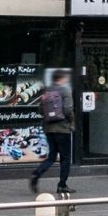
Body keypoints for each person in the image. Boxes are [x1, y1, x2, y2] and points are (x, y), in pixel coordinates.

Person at [28, 68, 76, 196]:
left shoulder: (47, 91)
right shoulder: (65, 90)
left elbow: (40, 110)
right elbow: (68, 109)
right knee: (65, 158)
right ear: (62, 78)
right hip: (63, 128)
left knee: (52, 156)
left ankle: (36, 174)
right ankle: (62, 185)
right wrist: (71, 122)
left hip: (49, 128)